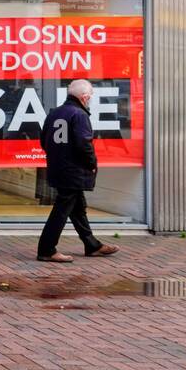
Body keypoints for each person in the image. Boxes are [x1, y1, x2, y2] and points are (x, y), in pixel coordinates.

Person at [37, 78, 118, 263]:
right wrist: (92, 163)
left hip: (59, 168)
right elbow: (84, 144)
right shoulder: (79, 115)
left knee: (77, 208)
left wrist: (58, 156)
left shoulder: (54, 113)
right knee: (62, 210)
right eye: (90, 96)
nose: (89, 99)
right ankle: (46, 249)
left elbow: (44, 140)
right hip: (73, 171)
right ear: (84, 97)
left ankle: (92, 245)